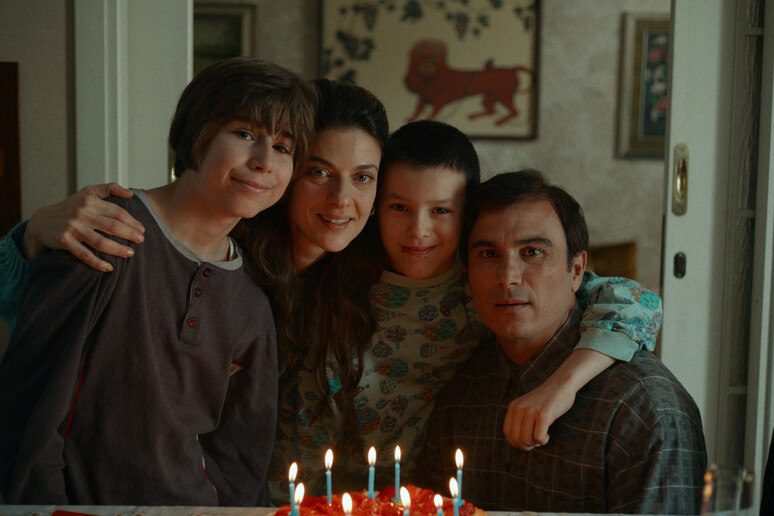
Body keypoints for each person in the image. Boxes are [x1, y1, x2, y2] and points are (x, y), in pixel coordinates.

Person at [268, 121, 666, 501]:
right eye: (399, 207)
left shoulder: (487, 285)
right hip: (339, 495)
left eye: (441, 211)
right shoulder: (340, 288)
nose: (419, 230)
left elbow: (638, 302)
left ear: (467, 217)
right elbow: (304, 429)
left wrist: (560, 387)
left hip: (441, 489)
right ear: (375, 207)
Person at [0, 57, 317, 505]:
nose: (265, 161)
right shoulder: (105, 231)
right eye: (245, 134)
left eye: (283, 148)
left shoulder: (251, 302)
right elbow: (29, 407)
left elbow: (241, 459)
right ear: (198, 132)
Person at [417, 169, 707, 514]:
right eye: (488, 255)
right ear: (466, 271)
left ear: (577, 270)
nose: (508, 277)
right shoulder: (461, 391)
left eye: (533, 252)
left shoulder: (642, 406)